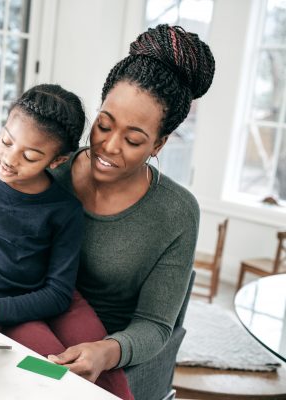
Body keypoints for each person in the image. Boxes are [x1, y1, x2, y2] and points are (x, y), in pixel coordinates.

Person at [0, 84, 133, 399]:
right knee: (57, 379)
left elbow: (58, 294)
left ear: (57, 161)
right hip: (6, 310)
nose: (8, 159)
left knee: (111, 380)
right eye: (6, 141)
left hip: (61, 303)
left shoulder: (64, 209)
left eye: (29, 156)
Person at [45, 24, 215, 392]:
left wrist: (106, 351)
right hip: (28, 323)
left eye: (134, 139)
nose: (109, 146)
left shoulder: (176, 212)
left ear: (159, 144)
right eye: (103, 125)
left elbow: (155, 325)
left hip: (104, 351)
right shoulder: (50, 170)